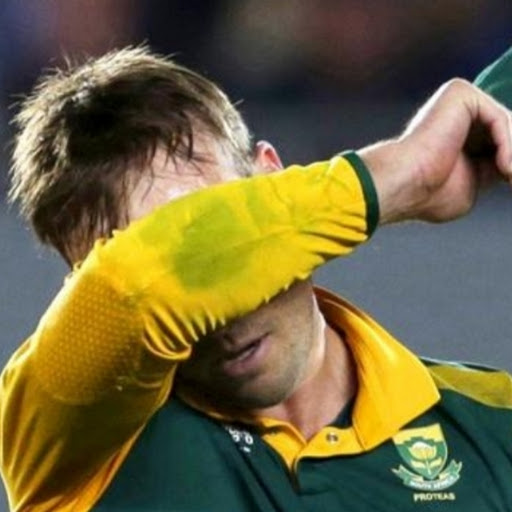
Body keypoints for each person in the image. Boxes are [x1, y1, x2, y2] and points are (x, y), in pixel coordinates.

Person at [1, 45, 512, 512]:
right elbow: (140, 281)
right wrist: (401, 174)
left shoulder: (495, 420)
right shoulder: (70, 449)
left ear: (272, 177)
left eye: (223, 224)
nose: (217, 310)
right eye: (197, 253)